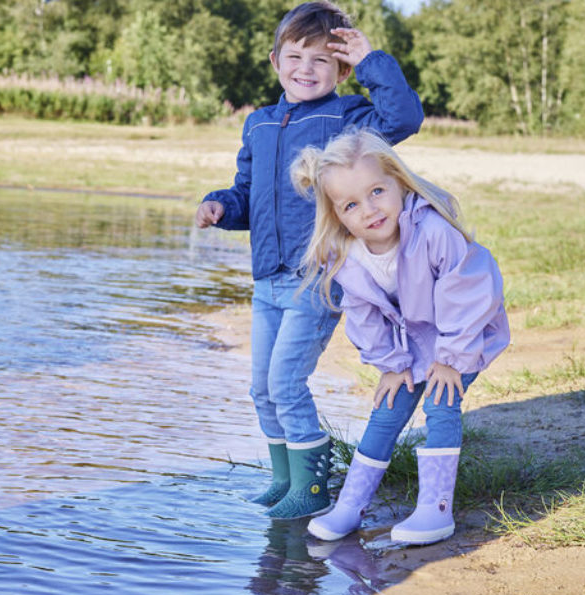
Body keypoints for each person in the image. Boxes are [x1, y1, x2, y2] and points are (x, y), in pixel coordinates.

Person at [194, 1, 424, 519]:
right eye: (295, 56)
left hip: (317, 279)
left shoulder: (347, 120)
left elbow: (404, 117)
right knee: (261, 388)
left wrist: (371, 61)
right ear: (275, 61)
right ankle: (284, 478)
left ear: (341, 69)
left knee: (285, 383)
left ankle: (313, 489)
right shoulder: (258, 124)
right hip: (267, 281)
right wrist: (220, 206)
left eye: (321, 60)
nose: (305, 68)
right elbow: (247, 194)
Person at [290, 127, 509, 544]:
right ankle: (351, 506)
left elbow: (466, 294)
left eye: (377, 192)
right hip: (410, 340)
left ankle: (435, 509)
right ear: (337, 214)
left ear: (398, 182)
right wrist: (390, 366)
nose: (369, 210)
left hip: (461, 332)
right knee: (387, 409)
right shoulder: (349, 256)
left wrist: (450, 359)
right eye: (352, 204)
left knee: (442, 402)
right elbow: (364, 314)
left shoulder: (432, 231)